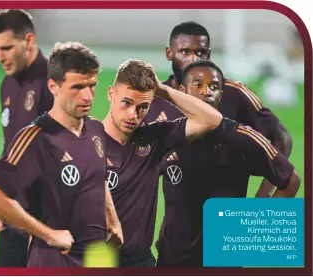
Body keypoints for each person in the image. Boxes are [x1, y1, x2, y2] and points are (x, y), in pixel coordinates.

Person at [0, 42, 111, 268]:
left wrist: (112, 218)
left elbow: (97, 177)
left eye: (92, 85)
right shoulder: (37, 137)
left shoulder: (96, 130)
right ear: (53, 86)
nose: (87, 96)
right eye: (77, 87)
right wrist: (48, 234)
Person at [156, 60, 301, 267]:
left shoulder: (242, 138)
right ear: (182, 91)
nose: (206, 91)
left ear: (221, 95)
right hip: (172, 258)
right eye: (197, 85)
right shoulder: (165, 135)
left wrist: (255, 224)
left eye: (214, 87)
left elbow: (291, 181)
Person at [102, 58, 239, 267]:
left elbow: (212, 120)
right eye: (127, 102)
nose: (133, 115)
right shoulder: (85, 141)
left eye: (143, 107)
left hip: (141, 263)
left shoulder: (153, 138)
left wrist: (162, 90)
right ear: (111, 93)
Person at [144, 21, 293, 198]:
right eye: (185, 52)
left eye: (201, 52)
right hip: (177, 222)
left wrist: (260, 202)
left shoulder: (235, 94)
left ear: (209, 54)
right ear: (169, 53)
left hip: (226, 220)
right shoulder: (156, 101)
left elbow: (281, 138)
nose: (194, 59)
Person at [0, 9, 54, 267]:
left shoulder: (53, 84)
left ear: (29, 40)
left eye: (7, 48)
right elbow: (10, 146)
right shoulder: (8, 84)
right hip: (12, 217)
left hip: (44, 220)